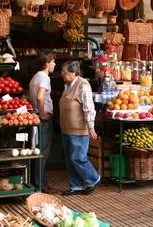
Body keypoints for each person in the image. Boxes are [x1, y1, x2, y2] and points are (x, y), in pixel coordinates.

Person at [59, 61, 101, 196]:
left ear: (73, 72)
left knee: (78, 157)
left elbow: (89, 107)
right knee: (69, 159)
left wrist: (91, 127)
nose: (62, 74)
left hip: (78, 130)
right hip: (66, 129)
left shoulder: (83, 85)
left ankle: (93, 178)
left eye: (64, 72)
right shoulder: (67, 86)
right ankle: (76, 186)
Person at [29, 51, 57, 194]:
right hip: (42, 120)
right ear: (47, 63)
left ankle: (39, 182)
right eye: (52, 61)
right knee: (43, 153)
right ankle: (40, 184)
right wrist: (42, 113)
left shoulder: (35, 76)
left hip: (35, 117)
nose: (54, 64)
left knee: (38, 151)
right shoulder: (44, 77)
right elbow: (40, 97)